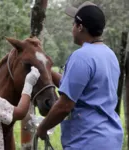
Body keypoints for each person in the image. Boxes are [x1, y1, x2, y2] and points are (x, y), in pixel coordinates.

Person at [36, 1, 124, 150]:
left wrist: (42, 128)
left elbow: (64, 106)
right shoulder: (109, 55)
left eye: (73, 24)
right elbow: (77, 87)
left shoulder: (81, 57)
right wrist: (46, 70)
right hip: (110, 140)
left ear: (80, 27)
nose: (72, 28)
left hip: (86, 141)